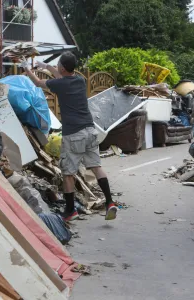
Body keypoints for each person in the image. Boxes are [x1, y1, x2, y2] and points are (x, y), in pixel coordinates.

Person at [21, 52, 118, 222]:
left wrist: (27, 69)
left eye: (58, 65)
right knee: (96, 167)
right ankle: (110, 202)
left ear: (63, 68)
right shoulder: (79, 80)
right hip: (90, 130)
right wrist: (46, 66)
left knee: (68, 173)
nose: (56, 67)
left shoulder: (60, 84)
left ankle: (70, 210)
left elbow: (37, 83)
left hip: (74, 134)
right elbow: (61, 77)